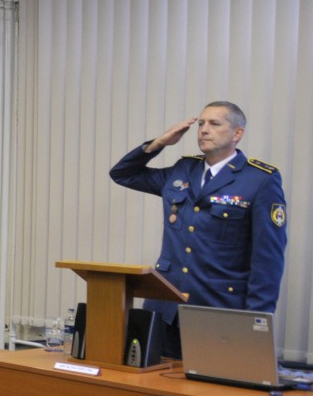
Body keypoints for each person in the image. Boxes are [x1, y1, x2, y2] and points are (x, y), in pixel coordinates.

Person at [109, 102, 287, 356]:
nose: (204, 130)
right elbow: (122, 174)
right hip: (165, 307)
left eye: (215, 124)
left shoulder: (259, 179)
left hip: (218, 310)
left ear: (237, 133)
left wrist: (256, 321)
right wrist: (159, 143)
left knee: (209, 381)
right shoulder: (183, 170)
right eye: (201, 123)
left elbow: (268, 258)